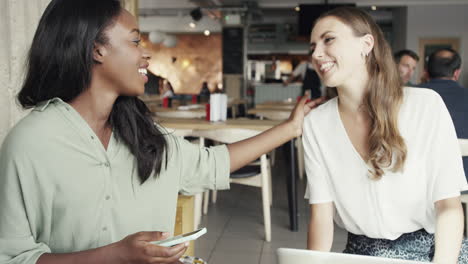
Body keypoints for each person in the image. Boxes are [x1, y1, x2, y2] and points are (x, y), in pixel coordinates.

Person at [0, 0, 322, 263]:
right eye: (135, 40)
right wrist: (116, 256)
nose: (146, 53)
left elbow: (213, 163)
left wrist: (290, 128)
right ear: (97, 49)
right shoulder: (30, 144)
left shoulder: (145, 135)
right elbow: (14, 257)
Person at [304, 7, 467, 263]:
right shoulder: (316, 123)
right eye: (312, 46)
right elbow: (321, 217)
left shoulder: (425, 106)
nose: (316, 54)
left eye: (329, 39)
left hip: (432, 253)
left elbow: (448, 207)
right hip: (361, 254)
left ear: (366, 44)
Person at [417, 48, 468, 180]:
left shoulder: (406, 96)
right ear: (456, 73)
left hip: (419, 182)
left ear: (426, 72)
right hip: (462, 182)